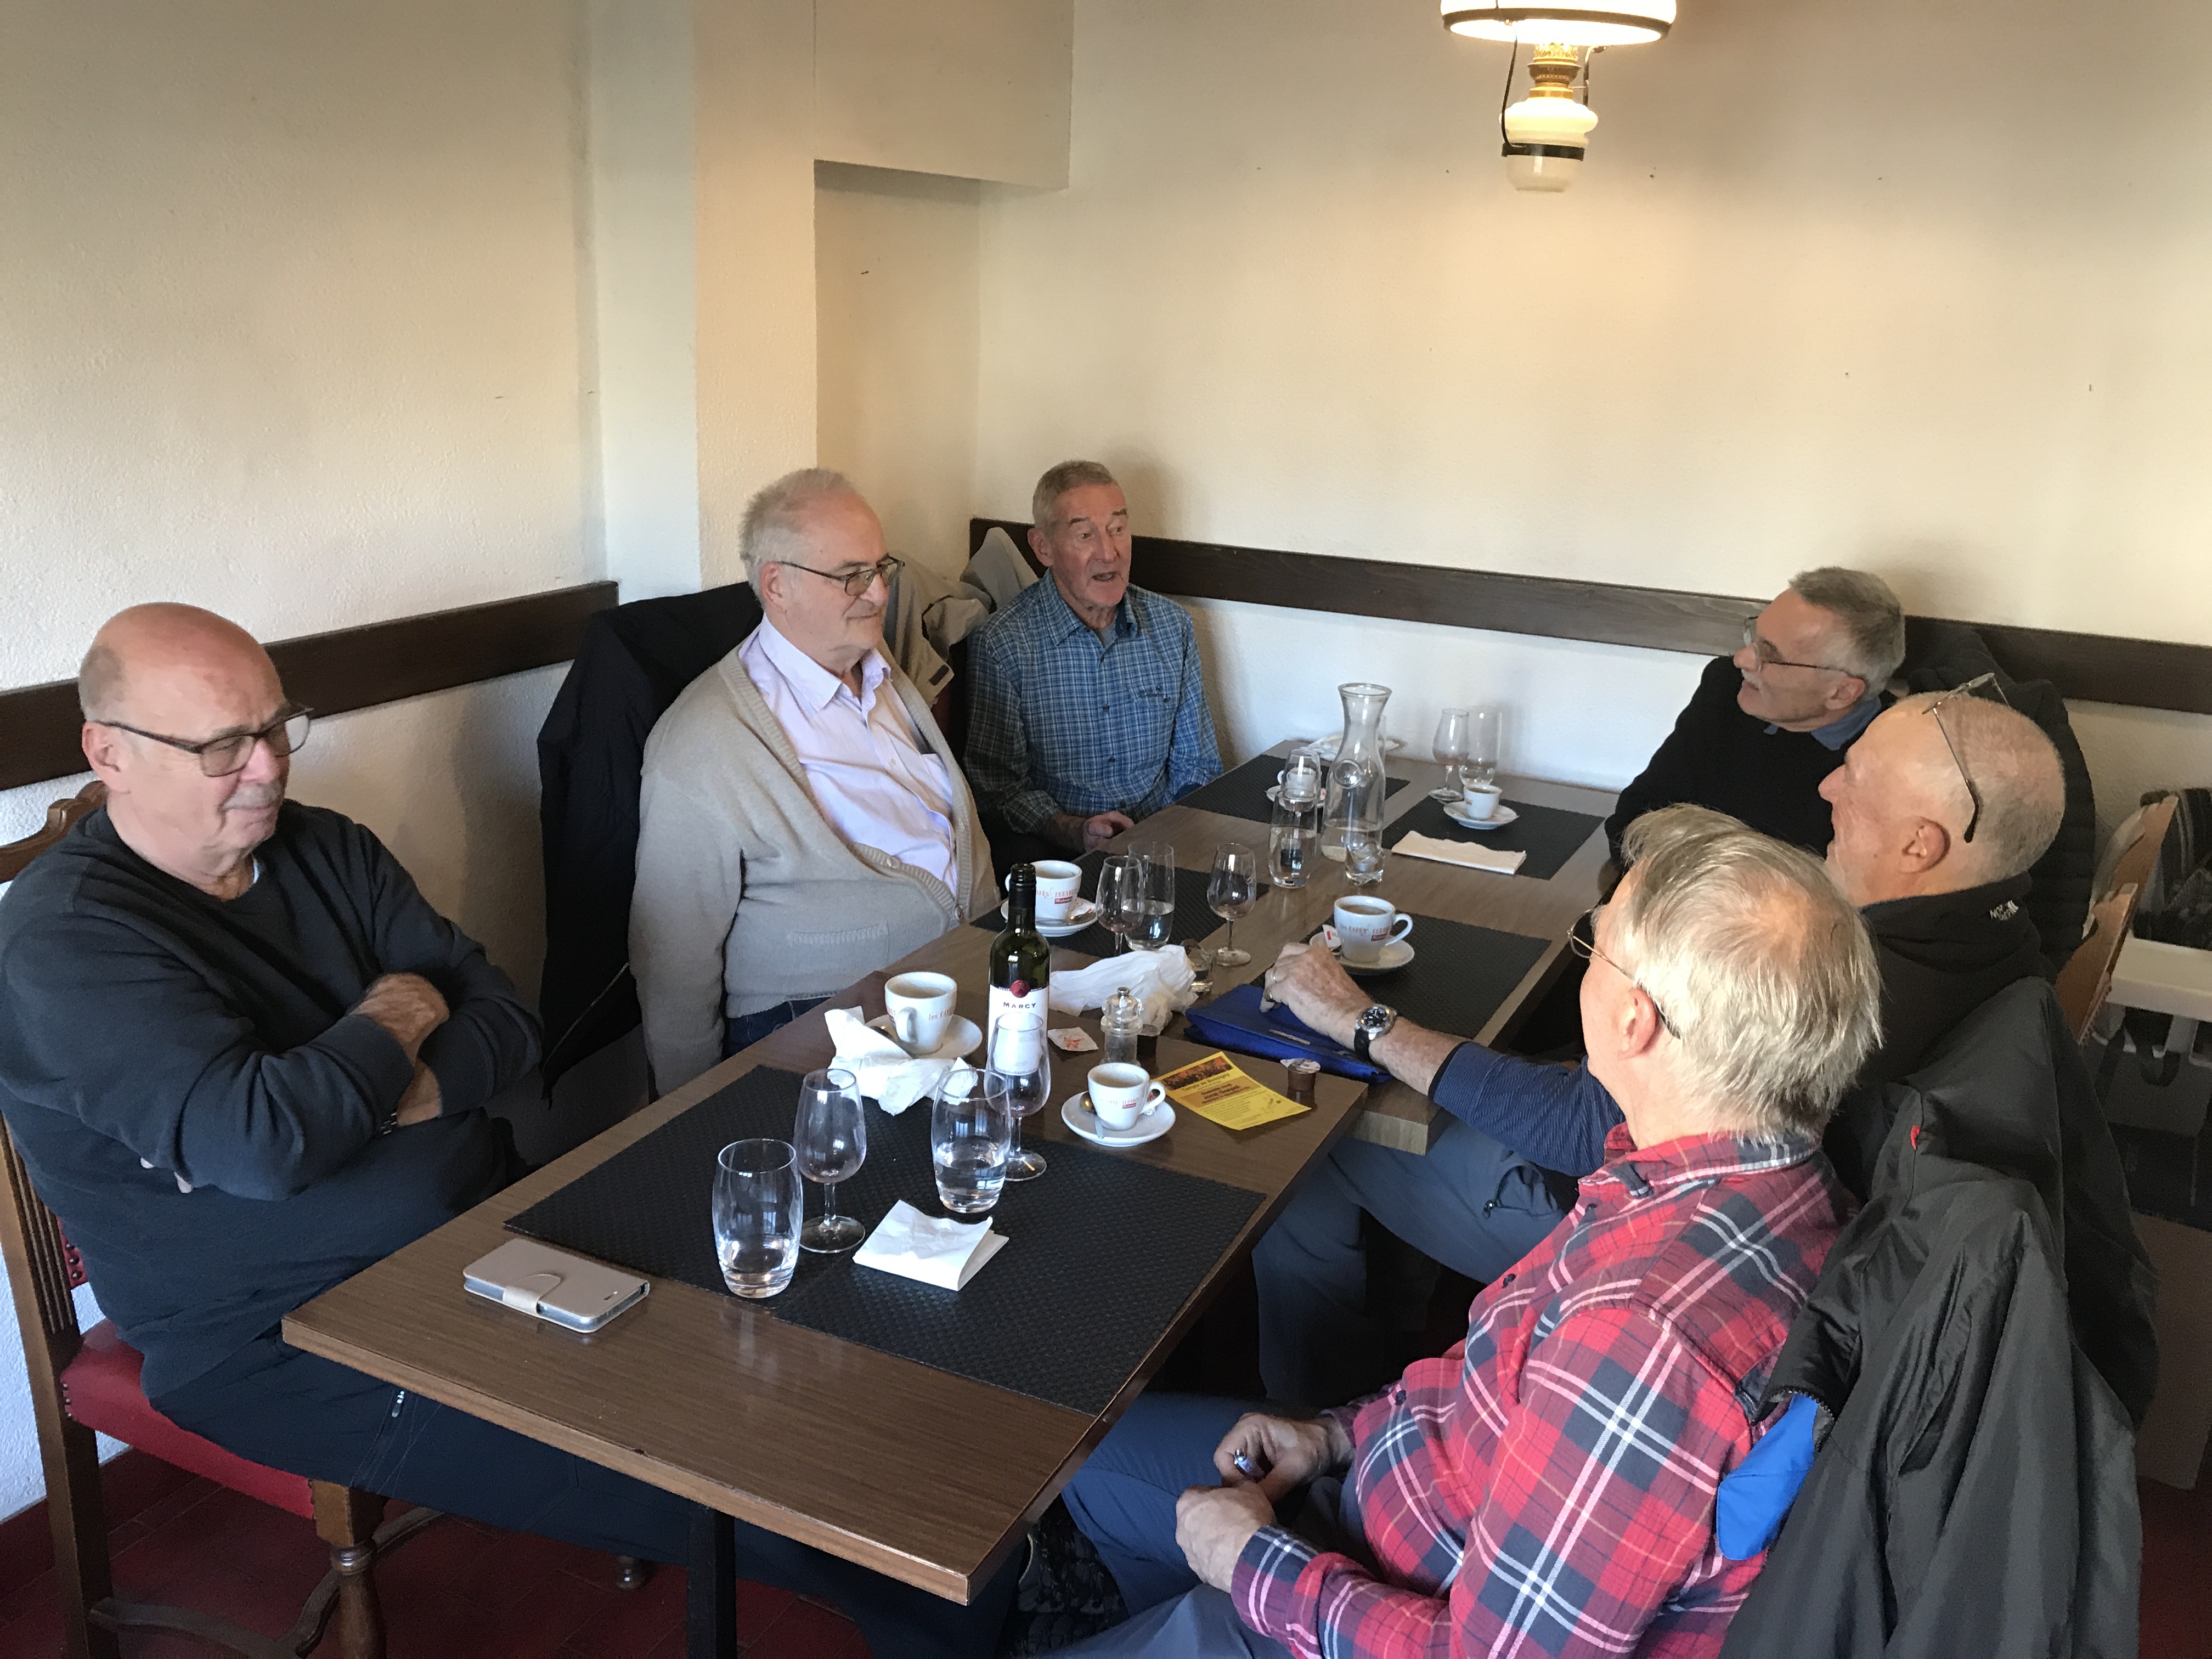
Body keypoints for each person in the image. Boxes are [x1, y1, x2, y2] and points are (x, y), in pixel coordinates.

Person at [0, 603, 1015, 1657]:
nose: (266, 766)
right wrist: (395, 1014)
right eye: (222, 744)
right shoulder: (65, 939)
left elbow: (506, 1024)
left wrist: (338, 1097)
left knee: (832, 1319)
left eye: (275, 726)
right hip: (285, 1332)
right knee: (774, 1486)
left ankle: (1004, 1538)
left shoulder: (327, 846)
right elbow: (262, 1143)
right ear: (107, 752)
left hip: (492, 1222)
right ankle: (981, 1608)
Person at [1052, 806, 1876, 1658]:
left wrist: (1252, 1565)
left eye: (1593, 946)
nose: (1585, 962)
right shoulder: (1752, 1180)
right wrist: (1333, 1434)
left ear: (1636, 1020)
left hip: (1373, 1601)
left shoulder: (1641, 1339)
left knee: (1096, 1478)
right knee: (1090, 1463)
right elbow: (1500, 1373)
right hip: (1390, 1494)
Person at [1254, 688, 2067, 1406]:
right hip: (1751, 1230)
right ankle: (1405, 1324)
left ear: (1922, 844)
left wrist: (1362, 1020)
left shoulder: (1861, 983)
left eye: (1854, 777)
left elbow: (1586, 1130)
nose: (1825, 785)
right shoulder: (1993, 946)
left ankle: (1310, 1413)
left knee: (1319, 1142)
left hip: (1625, 1230)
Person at [630, 469, 997, 1093]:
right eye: (852, 575)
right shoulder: (704, 742)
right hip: (824, 1025)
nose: (879, 593)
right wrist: (692, 1114)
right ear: (777, 585)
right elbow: (673, 962)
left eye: (882, 568)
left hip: (958, 984)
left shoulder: (882, 673)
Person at [964, 460, 1221, 862]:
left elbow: (1197, 765)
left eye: (1118, 529)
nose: (1109, 552)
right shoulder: (1004, 644)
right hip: (1061, 858)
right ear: (1043, 547)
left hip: (1162, 846)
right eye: (1085, 534)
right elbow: (996, 793)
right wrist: (1073, 830)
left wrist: (1173, 845)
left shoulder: (1172, 627)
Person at [1605, 567, 1905, 864]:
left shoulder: (1895, 757)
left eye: (1770, 655)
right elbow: (1635, 820)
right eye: (1754, 638)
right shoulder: (1726, 688)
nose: (1742, 659)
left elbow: (1845, 887)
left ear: (1841, 693)